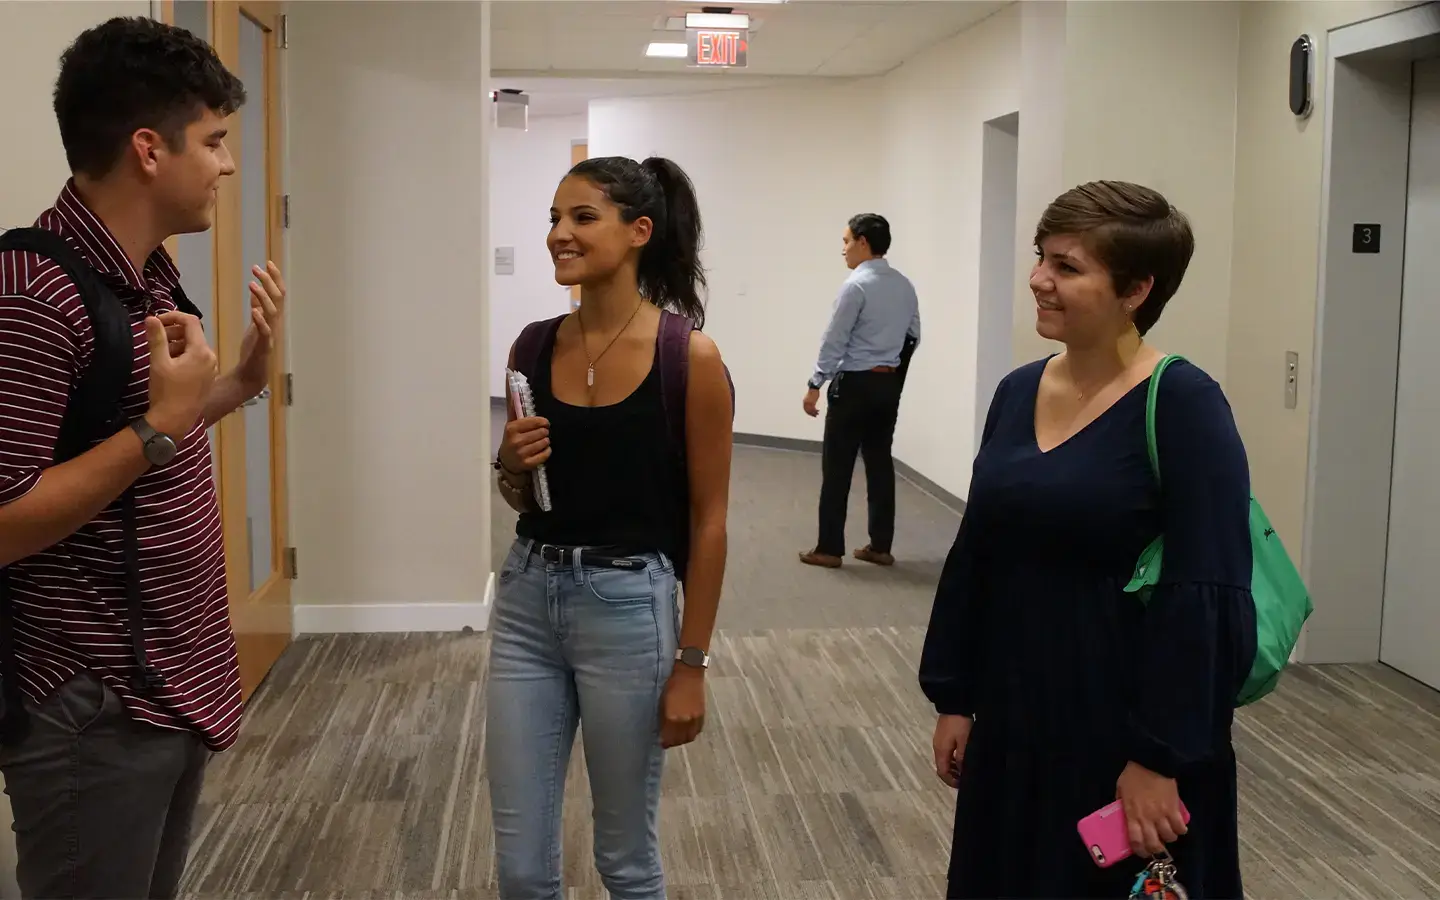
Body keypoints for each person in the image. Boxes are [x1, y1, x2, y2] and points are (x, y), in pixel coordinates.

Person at [0, 18, 285, 899]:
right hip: (94, 701)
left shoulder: (149, 273)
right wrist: (158, 427)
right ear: (148, 149)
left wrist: (238, 382)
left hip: (171, 677)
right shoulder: (31, 293)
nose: (230, 164)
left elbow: (146, 427)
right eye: (215, 141)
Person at [919, 181, 1255, 899]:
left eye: (1067, 267)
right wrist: (955, 694)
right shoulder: (1017, 391)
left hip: (1125, 726)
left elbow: (1207, 589)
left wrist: (1158, 756)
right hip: (1017, 713)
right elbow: (978, 552)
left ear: (1136, 289)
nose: (1039, 279)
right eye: (1041, 258)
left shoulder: (1184, 403)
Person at [487, 155, 733, 899]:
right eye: (554, 220)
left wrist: (692, 662)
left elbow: (710, 520)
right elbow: (526, 498)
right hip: (528, 600)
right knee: (522, 869)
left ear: (639, 232)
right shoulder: (532, 347)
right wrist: (507, 463)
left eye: (582, 218)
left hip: (631, 610)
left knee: (624, 859)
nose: (560, 234)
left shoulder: (687, 357)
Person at [799, 213, 920, 569]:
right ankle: (880, 545)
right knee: (880, 463)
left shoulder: (856, 286)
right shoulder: (904, 285)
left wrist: (814, 384)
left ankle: (829, 548)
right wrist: (895, 374)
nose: (844, 250)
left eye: (847, 241)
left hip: (853, 385)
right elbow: (914, 334)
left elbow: (834, 340)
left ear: (864, 242)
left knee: (837, 467)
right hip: (887, 386)